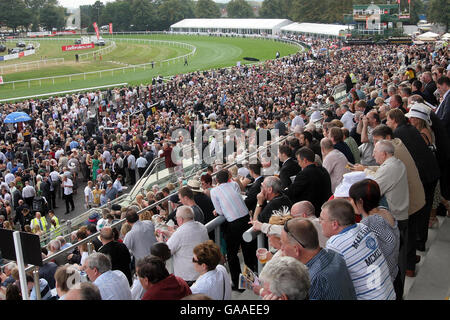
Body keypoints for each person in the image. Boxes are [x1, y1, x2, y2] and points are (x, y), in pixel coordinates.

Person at [320, 199, 395, 300]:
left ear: (334, 224)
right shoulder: (363, 227)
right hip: (389, 293)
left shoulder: (335, 244)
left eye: (322, 219)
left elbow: (333, 283)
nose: (319, 222)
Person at [349, 178, 402, 298]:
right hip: (395, 274)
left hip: (384, 283)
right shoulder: (384, 211)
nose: (350, 202)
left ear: (360, 201)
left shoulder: (369, 223)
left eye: (351, 199)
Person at [280, 217, 356, 300]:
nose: (281, 249)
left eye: (283, 244)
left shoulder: (312, 279)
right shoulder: (333, 254)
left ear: (296, 249)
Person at [210, 169, 257, 291]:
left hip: (234, 223)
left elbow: (220, 212)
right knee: (247, 250)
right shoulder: (234, 184)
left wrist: (218, 211)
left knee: (232, 254)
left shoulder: (214, 191)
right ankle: (252, 280)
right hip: (245, 218)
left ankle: (237, 284)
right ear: (228, 178)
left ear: (217, 181)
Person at [163, 206, 209, 285]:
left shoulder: (179, 233)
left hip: (187, 278)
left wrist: (161, 240)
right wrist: (173, 233)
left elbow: (166, 251)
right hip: (202, 273)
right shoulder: (202, 227)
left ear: (180, 219)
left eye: (176, 218)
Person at [286, 147, 332, 215]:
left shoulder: (304, 174)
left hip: (311, 210)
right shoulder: (323, 170)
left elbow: (293, 191)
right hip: (324, 206)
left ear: (304, 160)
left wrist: (284, 190)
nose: (298, 164)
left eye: (299, 161)